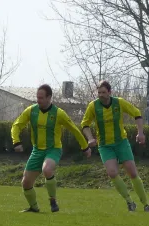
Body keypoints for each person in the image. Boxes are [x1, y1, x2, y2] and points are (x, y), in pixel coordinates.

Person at [11, 84, 91, 213]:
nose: (38, 100)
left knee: (47, 169)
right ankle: (34, 207)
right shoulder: (31, 111)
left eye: (41, 98)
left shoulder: (59, 113)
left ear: (49, 97)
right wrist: (16, 141)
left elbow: (74, 130)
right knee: (26, 183)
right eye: (37, 97)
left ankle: (53, 200)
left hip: (53, 149)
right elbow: (16, 125)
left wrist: (85, 146)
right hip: (37, 150)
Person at [81, 80, 149, 212]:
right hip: (105, 146)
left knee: (132, 172)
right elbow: (85, 124)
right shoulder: (93, 106)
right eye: (99, 92)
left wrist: (140, 133)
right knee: (112, 173)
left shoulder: (118, 102)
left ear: (109, 92)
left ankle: (146, 203)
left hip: (121, 142)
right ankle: (129, 201)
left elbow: (137, 113)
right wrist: (90, 138)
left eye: (103, 92)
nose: (101, 95)